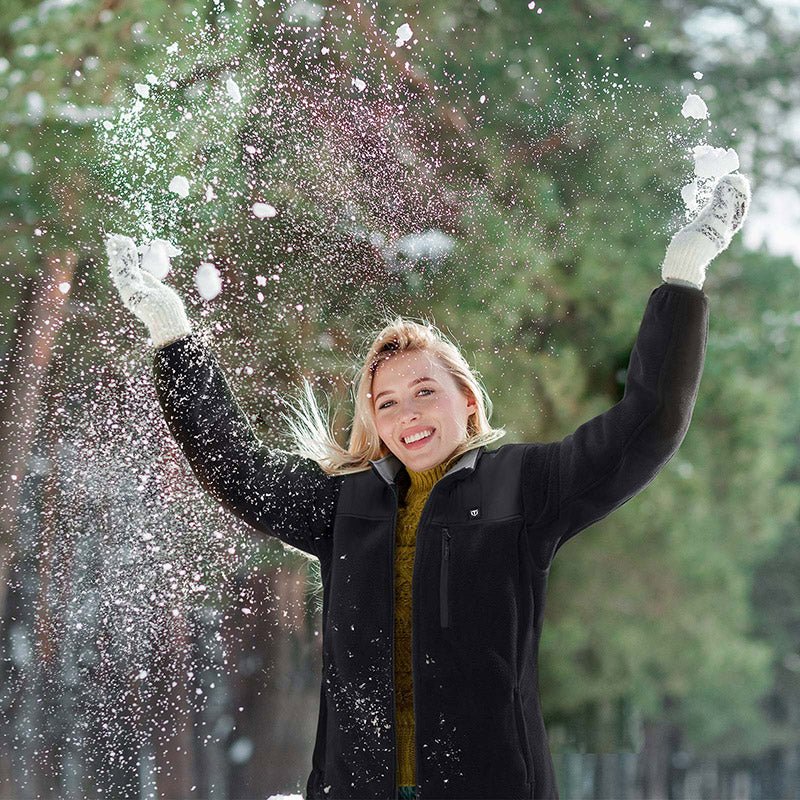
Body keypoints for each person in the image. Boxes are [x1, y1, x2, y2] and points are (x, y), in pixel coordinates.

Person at [106, 172, 750, 800]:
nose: (407, 415)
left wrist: (683, 276)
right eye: (386, 403)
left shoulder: (523, 489)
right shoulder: (345, 504)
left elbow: (647, 425)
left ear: (466, 400)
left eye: (423, 392)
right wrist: (171, 333)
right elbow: (235, 467)